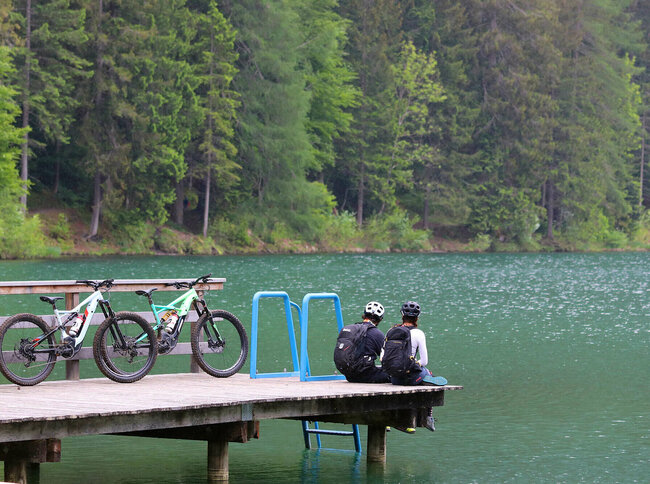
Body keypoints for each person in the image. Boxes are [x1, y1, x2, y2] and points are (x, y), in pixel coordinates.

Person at [385, 300, 437, 432]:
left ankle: (388, 420)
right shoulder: (419, 334)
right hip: (411, 379)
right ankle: (428, 418)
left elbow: (382, 357)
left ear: (402, 315)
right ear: (417, 317)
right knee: (429, 374)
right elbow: (424, 361)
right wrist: (415, 364)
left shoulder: (391, 331)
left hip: (394, 378)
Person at [335, 301, 391, 383]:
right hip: (366, 375)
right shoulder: (376, 333)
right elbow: (387, 357)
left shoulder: (354, 329)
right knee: (395, 374)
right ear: (380, 319)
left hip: (349, 376)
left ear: (364, 314)